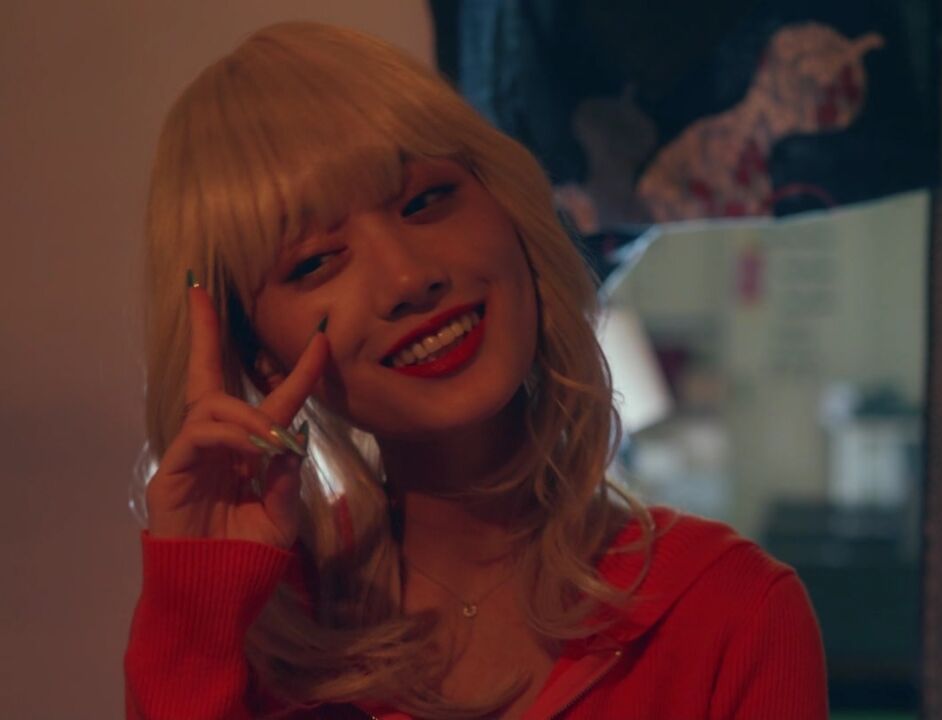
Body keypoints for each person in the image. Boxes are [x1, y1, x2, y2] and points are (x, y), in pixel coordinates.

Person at [123, 21, 827, 720]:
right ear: (262, 358)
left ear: (509, 212)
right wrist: (198, 611)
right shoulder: (254, 638)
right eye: (315, 262)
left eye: (425, 201)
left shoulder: (732, 611)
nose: (408, 277)